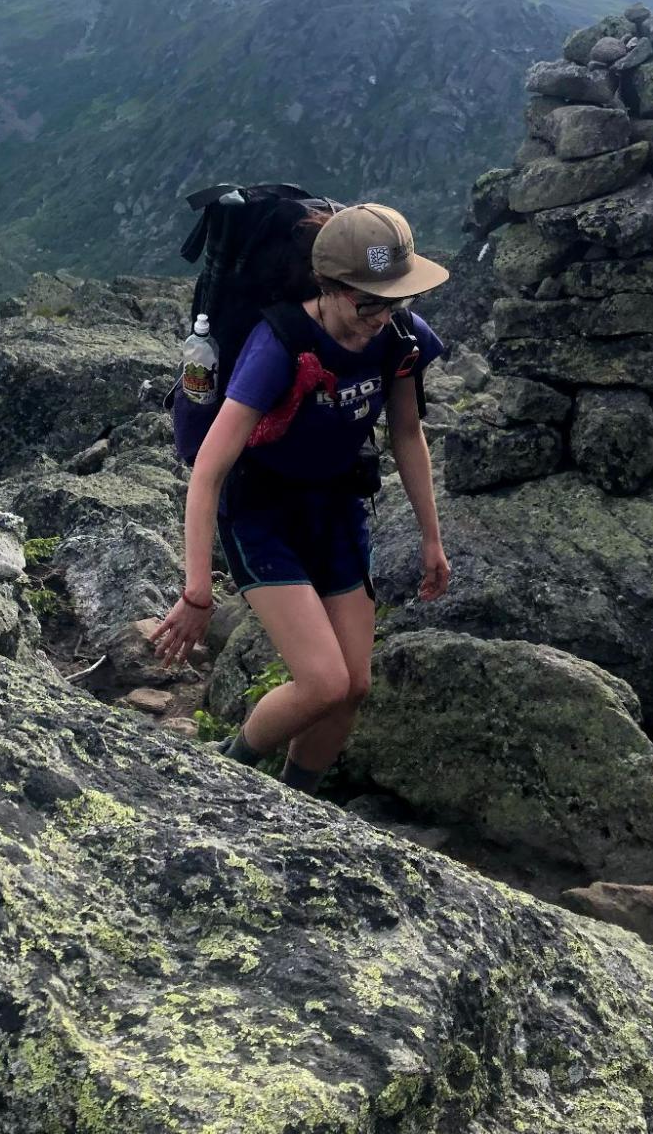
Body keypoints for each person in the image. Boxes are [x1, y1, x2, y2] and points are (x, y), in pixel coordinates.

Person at [151, 203, 451, 793]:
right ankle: (224, 766)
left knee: (353, 686)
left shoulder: (399, 338)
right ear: (328, 286)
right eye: (368, 302)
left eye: (396, 299)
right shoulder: (279, 344)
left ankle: (296, 803)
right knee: (322, 683)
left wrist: (431, 538)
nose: (381, 316)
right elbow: (209, 471)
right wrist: (197, 590)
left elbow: (407, 433)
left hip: (336, 509)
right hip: (262, 514)